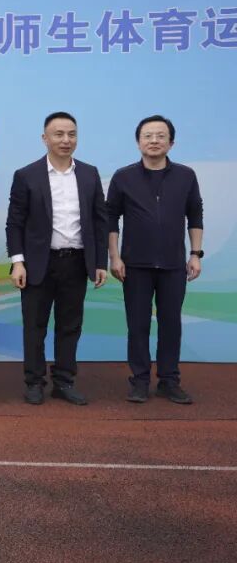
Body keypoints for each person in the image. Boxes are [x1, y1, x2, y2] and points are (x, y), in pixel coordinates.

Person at [6, 112, 108, 406]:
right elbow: (15, 223)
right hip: (38, 264)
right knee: (34, 326)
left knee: (70, 326)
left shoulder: (89, 174)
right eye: (59, 134)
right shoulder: (26, 175)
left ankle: (64, 381)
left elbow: (100, 221)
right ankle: (34, 382)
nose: (66, 140)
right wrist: (18, 261)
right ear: (45, 138)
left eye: (71, 134)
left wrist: (99, 262)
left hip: (76, 262)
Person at [107, 115, 203, 405]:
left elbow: (195, 215)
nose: (154, 141)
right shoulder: (123, 177)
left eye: (161, 136)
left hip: (174, 265)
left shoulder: (186, 176)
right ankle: (139, 381)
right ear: (138, 142)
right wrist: (115, 257)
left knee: (171, 324)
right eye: (147, 136)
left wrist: (195, 254)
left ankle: (169, 381)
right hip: (135, 265)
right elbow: (111, 219)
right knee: (137, 325)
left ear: (171, 143)